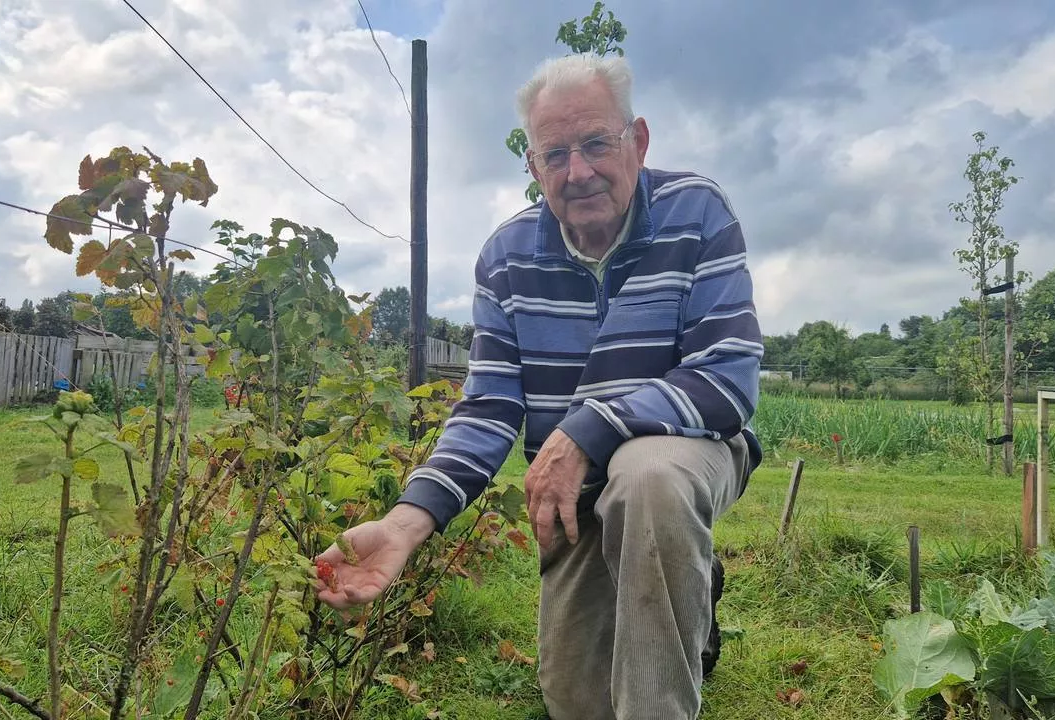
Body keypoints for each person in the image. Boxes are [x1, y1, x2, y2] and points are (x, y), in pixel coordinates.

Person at [315, 52, 763, 720]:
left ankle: (667, 592)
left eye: (595, 144)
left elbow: (725, 378)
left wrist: (587, 428)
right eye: (555, 155)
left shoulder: (695, 211)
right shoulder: (506, 257)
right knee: (574, 695)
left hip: (686, 449)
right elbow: (490, 408)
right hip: (573, 491)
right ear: (533, 169)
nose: (578, 171)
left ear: (637, 141)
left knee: (648, 478)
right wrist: (408, 524)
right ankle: (677, 574)